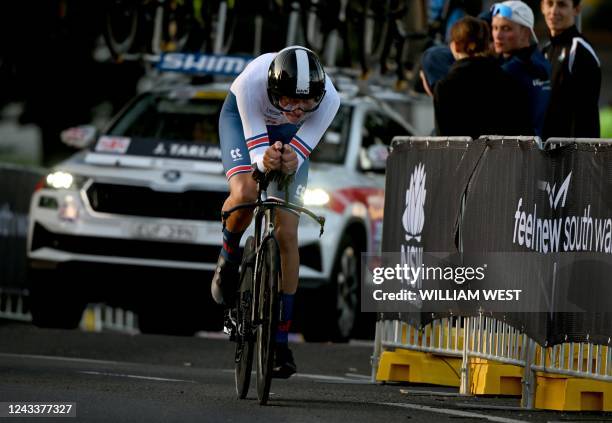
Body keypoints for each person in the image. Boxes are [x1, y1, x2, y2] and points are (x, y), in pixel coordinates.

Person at [212, 46, 340, 378]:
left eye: (307, 103)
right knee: (246, 191)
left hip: (287, 139)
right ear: (272, 91)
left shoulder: (330, 100)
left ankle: (280, 341)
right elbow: (258, 158)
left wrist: (292, 154)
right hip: (242, 123)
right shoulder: (251, 83)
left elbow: (298, 150)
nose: (297, 110)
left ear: (319, 95)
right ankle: (228, 257)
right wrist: (264, 159)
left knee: (286, 233)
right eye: (287, 101)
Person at [433, 16, 532, 138]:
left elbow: (444, 142)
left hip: (462, 156)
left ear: (456, 46)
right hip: (504, 156)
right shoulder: (508, 80)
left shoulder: (445, 87)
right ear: (487, 45)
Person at [541, 0, 601, 138]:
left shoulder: (580, 50)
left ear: (576, 9)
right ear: (542, 7)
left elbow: (586, 115)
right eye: (549, 4)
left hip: (572, 155)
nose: (554, 11)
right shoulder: (545, 50)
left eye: (561, 5)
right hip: (544, 153)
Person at [491, 1, 551, 137]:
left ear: (525, 33)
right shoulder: (543, 61)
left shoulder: (509, 71)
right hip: (540, 150)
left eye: (506, 29)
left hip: (513, 153)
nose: (497, 36)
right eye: (495, 28)